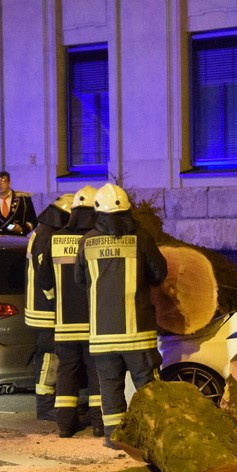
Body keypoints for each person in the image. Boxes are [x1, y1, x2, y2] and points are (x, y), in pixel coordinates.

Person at [75, 183, 167, 449]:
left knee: (110, 389)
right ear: (128, 211)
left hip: (102, 335)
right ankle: (157, 437)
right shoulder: (141, 237)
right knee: (149, 390)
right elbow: (159, 274)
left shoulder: (87, 242)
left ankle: (115, 439)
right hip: (138, 334)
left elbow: (81, 280)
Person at [39, 185, 103, 438]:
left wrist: (56, 300)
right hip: (93, 321)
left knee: (67, 371)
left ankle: (65, 425)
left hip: (64, 322)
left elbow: (44, 277)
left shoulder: (55, 239)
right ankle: (99, 423)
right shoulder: (97, 239)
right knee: (96, 371)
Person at [25, 193, 74, 421]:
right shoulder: (48, 234)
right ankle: (45, 407)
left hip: (41, 306)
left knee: (51, 354)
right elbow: (45, 274)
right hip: (45, 309)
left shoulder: (41, 230)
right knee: (49, 355)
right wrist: (55, 299)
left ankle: (48, 404)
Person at [0, 170, 38, 236]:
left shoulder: (23, 199)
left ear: (9, 183)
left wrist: (22, 229)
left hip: (16, 240)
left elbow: (33, 221)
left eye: (3, 181)